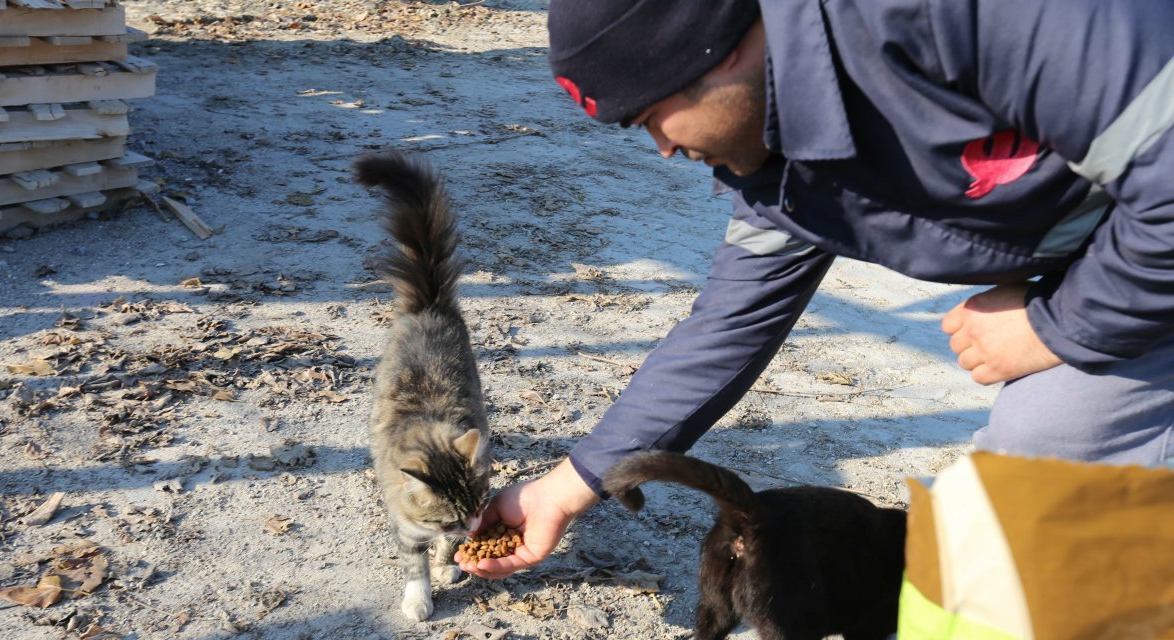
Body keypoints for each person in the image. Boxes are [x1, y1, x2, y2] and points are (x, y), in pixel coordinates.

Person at [458, 0, 1174, 580]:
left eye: (650, 118)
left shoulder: (956, 16)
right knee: (1035, 467)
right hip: (1129, 253)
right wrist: (562, 488)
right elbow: (725, 331)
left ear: (714, 50)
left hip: (1143, 244)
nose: (665, 150)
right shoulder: (781, 171)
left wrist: (1056, 326)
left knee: (1052, 491)